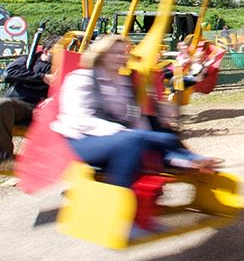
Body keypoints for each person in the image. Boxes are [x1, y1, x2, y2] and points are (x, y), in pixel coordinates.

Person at [51, 35, 221, 188]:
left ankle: (189, 161)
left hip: (119, 138)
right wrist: (124, 133)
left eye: (123, 53)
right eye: (114, 53)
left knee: (162, 135)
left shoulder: (124, 83)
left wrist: (150, 129)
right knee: (134, 140)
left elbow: (134, 117)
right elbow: (79, 120)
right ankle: (119, 197)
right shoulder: (81, 79)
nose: (121, 57)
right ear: (101, 54)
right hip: (81, 141)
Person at [0, 36, 57, 163]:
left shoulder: (59, 67)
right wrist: (42, 77)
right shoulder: (27, 60)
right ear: (46, 51)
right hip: (17, 103)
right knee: (3, 104)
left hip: (39, 105)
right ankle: (4, 157)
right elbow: (9, 73)